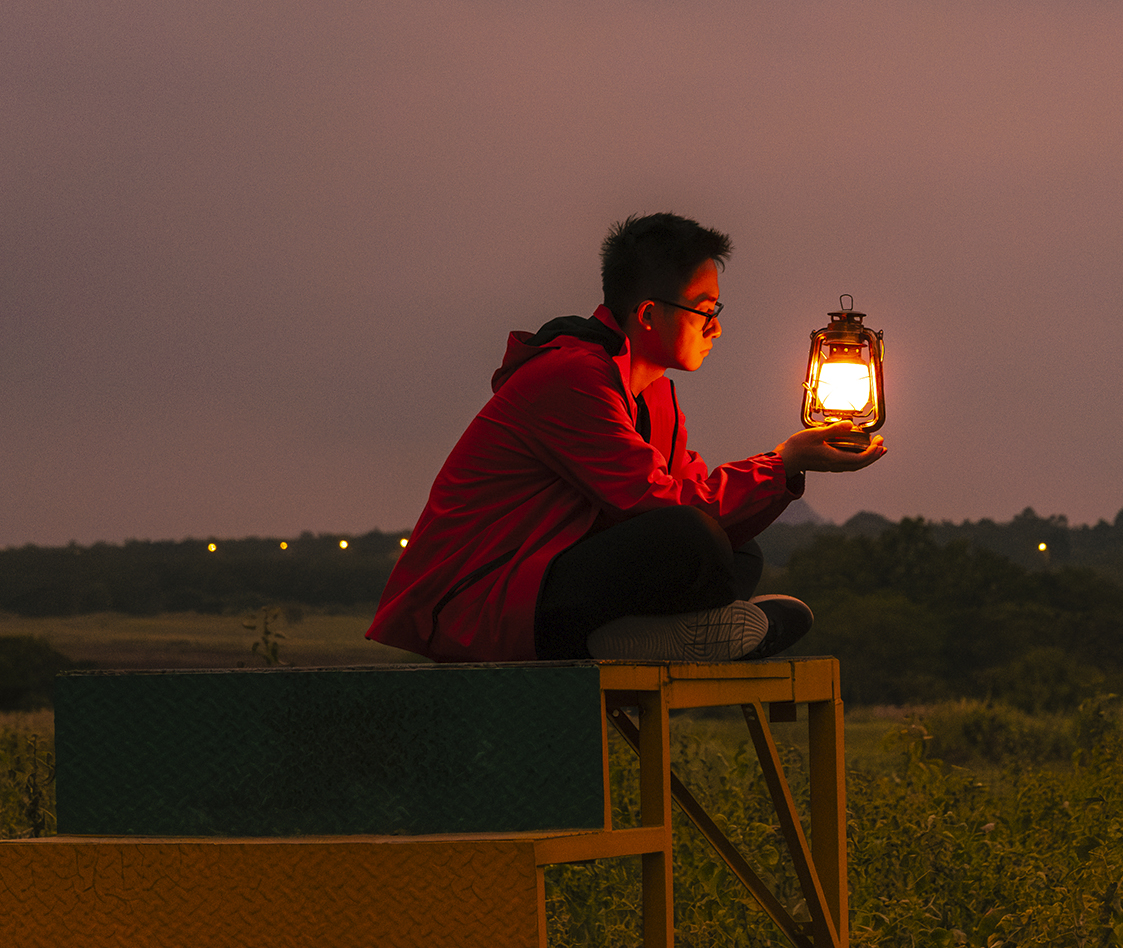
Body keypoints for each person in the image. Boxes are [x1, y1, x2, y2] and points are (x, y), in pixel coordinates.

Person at [366, 213, 888, 663]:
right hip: (483, 601)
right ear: (647, 314)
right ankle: (626, 638)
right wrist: (783, 461)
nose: (716, 329)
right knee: (692, 537)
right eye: (705, 310)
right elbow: (652, 502)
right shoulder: (571, 377)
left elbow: (688, 491)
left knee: (738, 547)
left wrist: (786, 468)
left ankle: (635, 637)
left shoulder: (654, 390)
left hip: (550, 579)